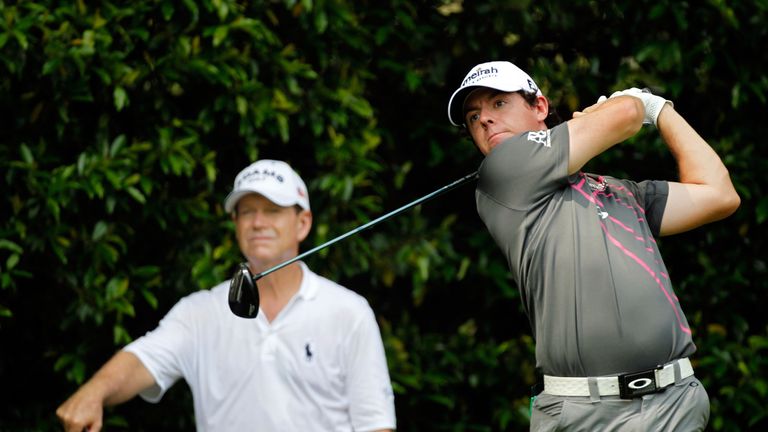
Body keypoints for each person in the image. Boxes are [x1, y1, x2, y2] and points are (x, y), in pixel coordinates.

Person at [447, 61, 740, 431]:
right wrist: (636, 104)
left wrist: (662, 110)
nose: (484, 120)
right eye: (473, 117)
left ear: (539, 107)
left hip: (674, 403)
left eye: (498, 104)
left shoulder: (622, 192)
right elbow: (626, 114)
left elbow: (719, 195)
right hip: (585, 412)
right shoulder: (503, 171)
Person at [56, 159, 397, 432]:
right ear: (235, 223)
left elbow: (375, 423)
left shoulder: (348, 311)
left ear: (303, 223)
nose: (258, 222)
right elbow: (142, 360)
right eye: (247, 211)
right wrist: (94, 392)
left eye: (273, 210)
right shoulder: (199, 313)